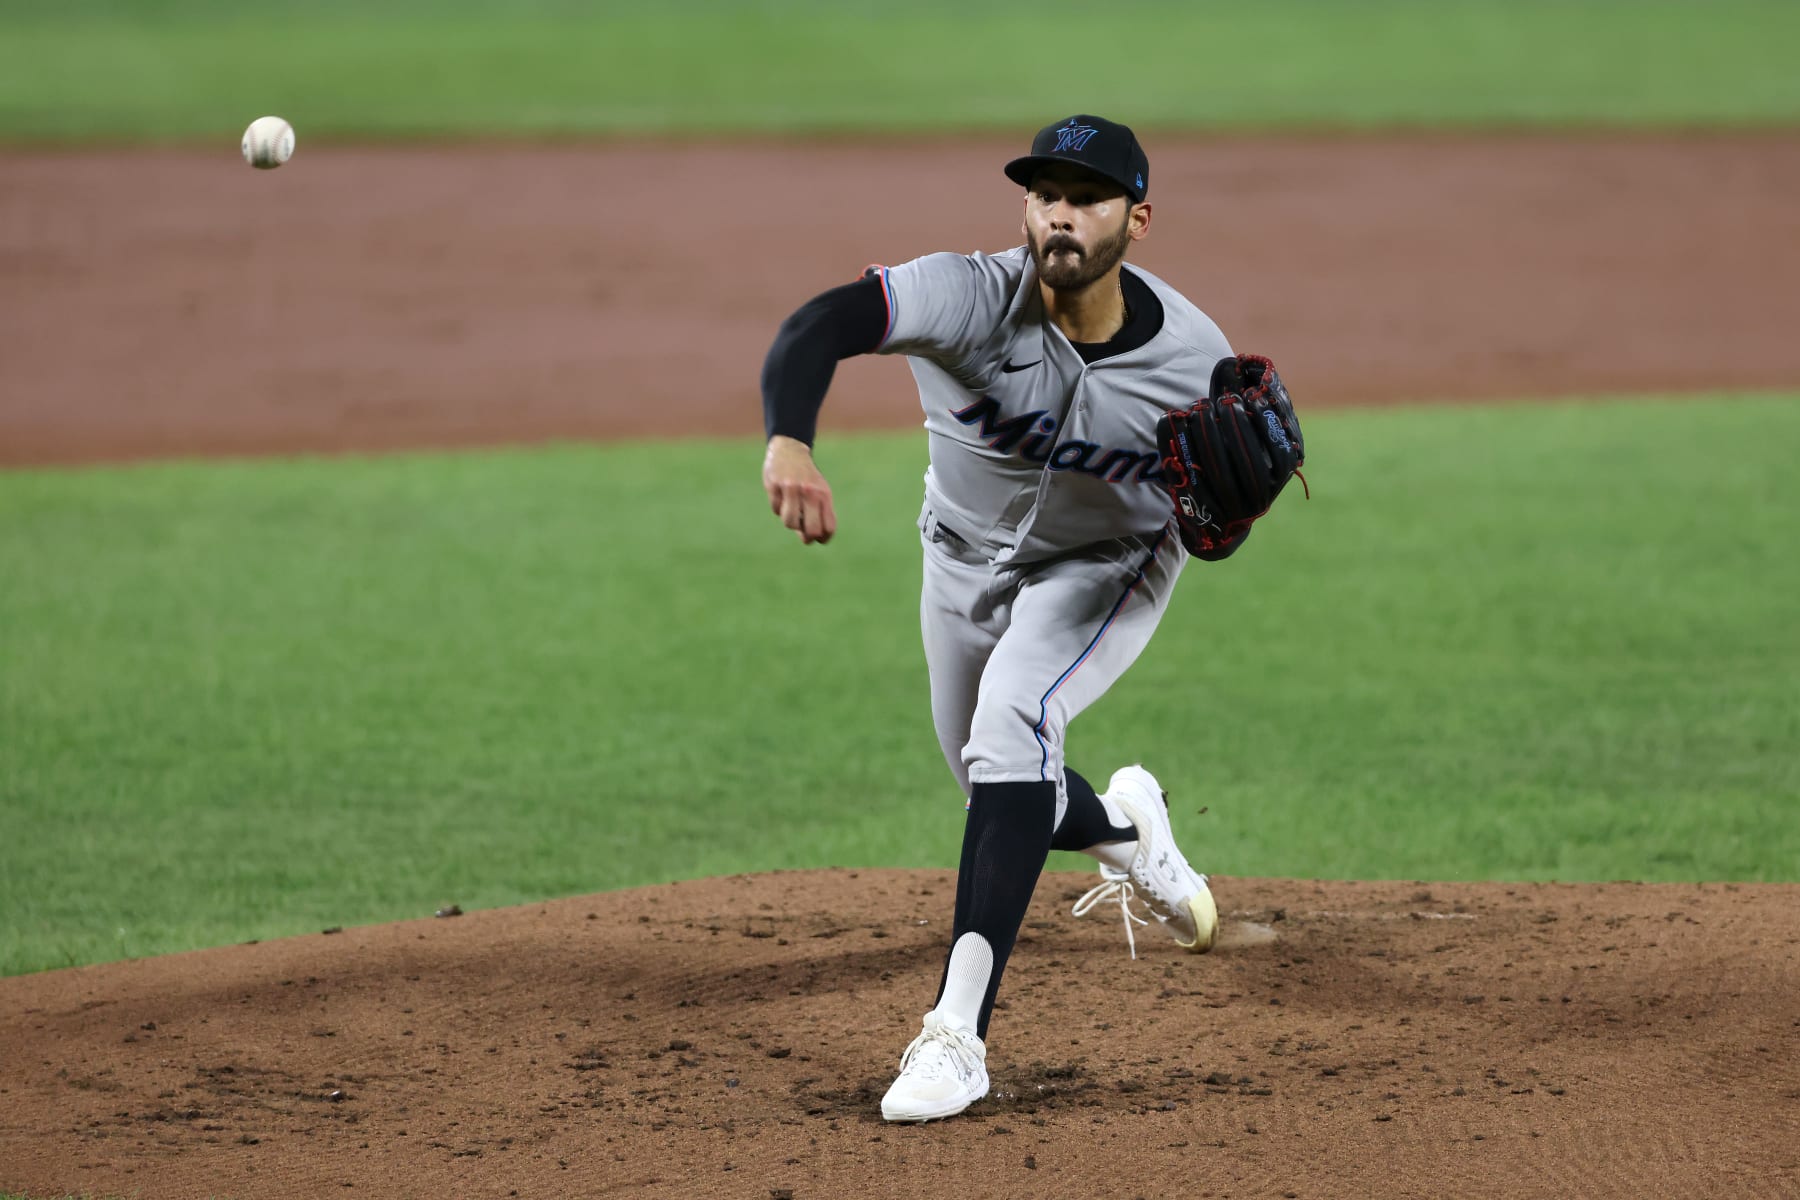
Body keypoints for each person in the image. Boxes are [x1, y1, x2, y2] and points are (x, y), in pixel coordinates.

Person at [759, 115, 1241, 1124]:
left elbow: (1220, 520)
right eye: (1042, 193)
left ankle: (956, 1035)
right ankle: (1125, 828)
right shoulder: (967, 295)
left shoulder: (1196, 359)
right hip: (961, 558)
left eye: (1087, 196)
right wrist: (789, 443)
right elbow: (820, 324)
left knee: (1012, 723)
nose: (1059, 211)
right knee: (994, 775)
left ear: (1137, 220)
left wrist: (1229, 515)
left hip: (1102, 569)